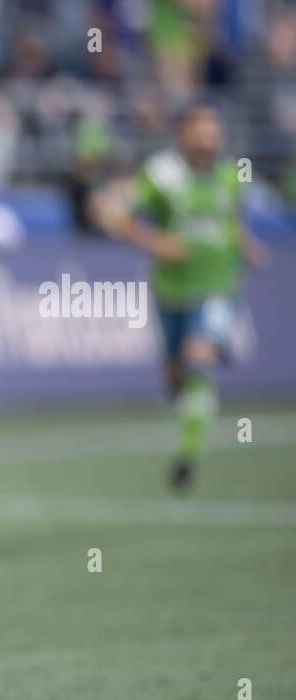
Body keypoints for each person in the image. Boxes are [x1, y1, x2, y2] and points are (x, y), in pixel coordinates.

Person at [120, 102, 267, 491]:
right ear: (183, 133)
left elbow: (233, 222)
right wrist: (157, 242)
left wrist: (248, 247)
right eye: (201, 130)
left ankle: (188, 458)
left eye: (214, 130)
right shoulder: (161, 175)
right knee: (175, 375)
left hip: (220, 283)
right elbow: (123, 218)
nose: (209, 137)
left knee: (197, 357)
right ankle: (192, 391)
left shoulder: (233, 175)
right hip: (172, 289)